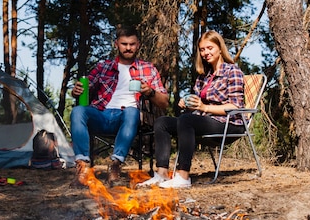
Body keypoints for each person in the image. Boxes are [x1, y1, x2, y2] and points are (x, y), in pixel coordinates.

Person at [138, 30, 244, 189]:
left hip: (230, 123)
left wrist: (203, 107)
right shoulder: (204, 76)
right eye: (202, 50)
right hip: (204, 120)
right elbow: (197, 102)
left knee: (187, 120)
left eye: (210, 48)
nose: (206, 53)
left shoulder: (232, 71)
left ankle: (183, 176)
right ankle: (161, 174)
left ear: (220, 48)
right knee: (162, 122)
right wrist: (187, 103)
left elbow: (235, 106)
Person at [70, 25, 169, 187]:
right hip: (101, 114)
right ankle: (82, 167)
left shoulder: (148, 68)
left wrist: (150, 92)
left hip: (128, 118)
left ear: (138, 45)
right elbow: (83, 90)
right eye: (124, 44)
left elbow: (164, 102)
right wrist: (76, 91)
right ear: (116, 44)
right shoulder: (103, 67)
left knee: (132, 111)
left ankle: (115, 165)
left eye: (132, 44)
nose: (128, 48)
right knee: (78, 111)